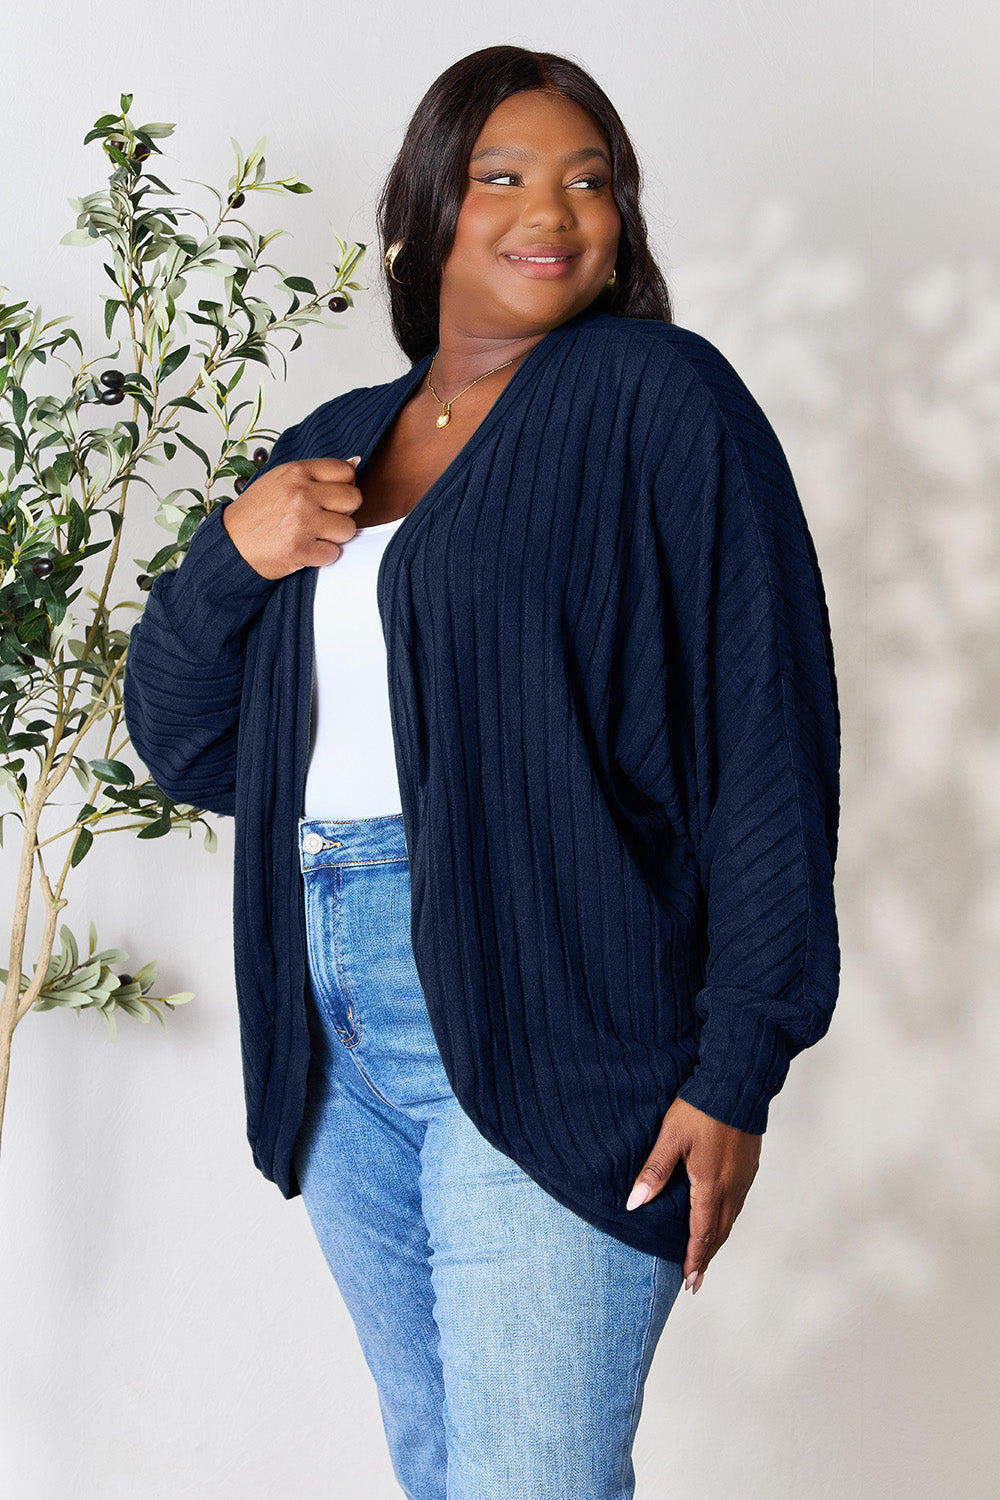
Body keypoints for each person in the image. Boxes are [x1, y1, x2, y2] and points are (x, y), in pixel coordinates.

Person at [123, 43, 841, 1500]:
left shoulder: (657, 397)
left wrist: (740, 1063)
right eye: (502, 176)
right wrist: (229, 558)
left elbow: (767, 732)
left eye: (592, 182)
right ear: (423, 216)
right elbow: (191, 741)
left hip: (556, 996)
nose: (554, 212)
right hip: (332, 1041)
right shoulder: (330, 451)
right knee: (448, 1466)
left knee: (531, 1480)